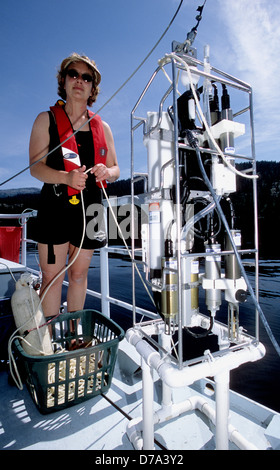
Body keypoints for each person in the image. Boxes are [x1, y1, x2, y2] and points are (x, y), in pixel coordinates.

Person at [29, 52, 120, 321]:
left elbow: (116, 170)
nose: (79, 80)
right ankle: (47, 340)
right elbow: (35, 167)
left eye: (86, 77)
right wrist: (66, 178)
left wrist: (108, 171)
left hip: (89, 209)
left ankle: (73, 338)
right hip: (54, 208)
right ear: (64, 81)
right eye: (73, 74)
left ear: (93, 87)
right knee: (52, 276)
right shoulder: (46, 120)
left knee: (79, 275)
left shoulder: (103, 127)